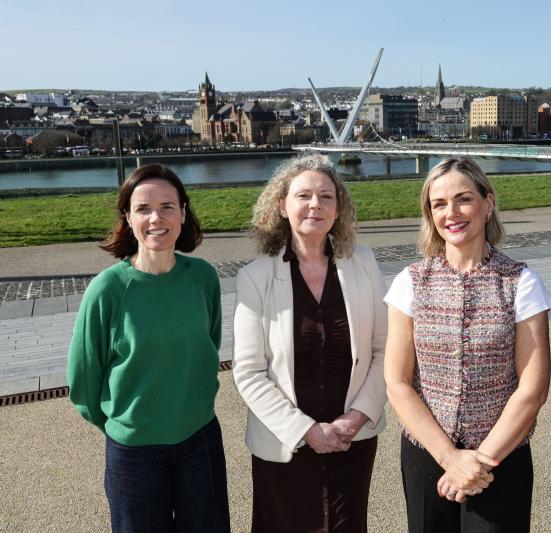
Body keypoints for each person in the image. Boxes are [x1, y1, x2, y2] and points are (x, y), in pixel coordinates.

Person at [384, 156, 551, 532]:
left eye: (463, 199)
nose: (452, 213)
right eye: (439, 204)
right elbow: (397, 383)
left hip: (499, 457)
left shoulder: (521, 283)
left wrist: (479, 462)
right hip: (427, 455)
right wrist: (450, 459)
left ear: (487, 202)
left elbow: (533, 389)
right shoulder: (410, 282)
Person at [67, 164, 230, 532]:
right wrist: (127, 425)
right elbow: (83, 381)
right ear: (128, 216)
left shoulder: (203, 278)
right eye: (143, 208)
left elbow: (208, 346)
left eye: (167, 206)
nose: (156, 218)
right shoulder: (107, 290)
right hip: (134, 452)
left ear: (184, 213)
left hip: (200, 440)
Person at [232, 153, 387, 532]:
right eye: (303, 196)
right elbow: (249, 373)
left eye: (326, 196)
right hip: (285, 449)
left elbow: (386, 351)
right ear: (282, 206)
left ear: (338, 208)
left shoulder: (363, 263)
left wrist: (356, 418)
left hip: (352, 442)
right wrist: (307, 432)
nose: (315, 204)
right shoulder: (256, 277)